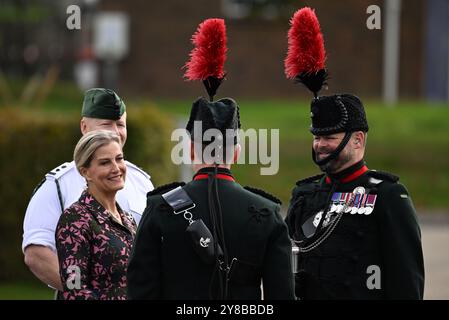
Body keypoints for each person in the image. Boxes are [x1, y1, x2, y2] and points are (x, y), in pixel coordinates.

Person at [127, 18, 294, 300]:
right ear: (237, 152)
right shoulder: (267, 213)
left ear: (190, 150)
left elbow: (140, 292)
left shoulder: (160, 208)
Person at [285, 93, 425, 299]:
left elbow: (406, 279)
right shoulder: (304, 195)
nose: (320, 144)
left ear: (357, 140)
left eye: (329, 137)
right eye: (317, 137)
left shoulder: (388, 195)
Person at [22, 88, 154, 292]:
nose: (115, 132)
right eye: (106, 124)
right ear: (84, 126)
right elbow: (36, 253)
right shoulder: (58, 184)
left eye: (120, 124)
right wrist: (84, 291)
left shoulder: (141, 181)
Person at [56, 130, 136, 299]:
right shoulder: (75, 220)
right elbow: (74, 289)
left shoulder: (127, 219)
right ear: (85, 172)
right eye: (105, 162)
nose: (116, 168)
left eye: (119, 158)